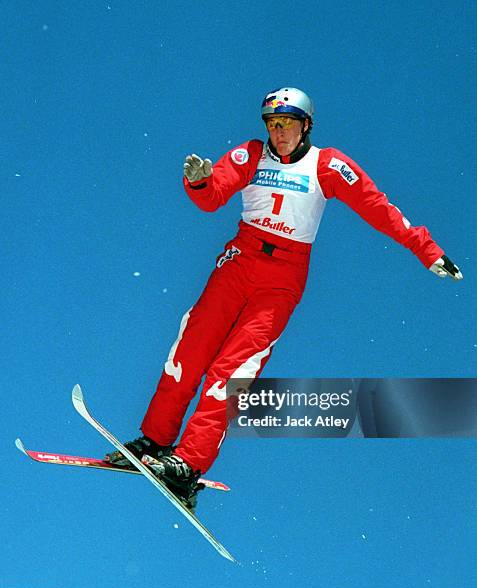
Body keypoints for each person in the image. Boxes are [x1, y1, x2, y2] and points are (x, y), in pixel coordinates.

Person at [105, 87, 463, 509]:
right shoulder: (252, 155)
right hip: (239, 261)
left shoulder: (328, 165)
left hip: (282, 279)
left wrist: (427, 250)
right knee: (190, 348)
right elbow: (214, 193)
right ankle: (153, 441)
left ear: (306, 125)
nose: (279, 133)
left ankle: (187, 464)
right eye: (273, 124)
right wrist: (199, 182)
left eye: (288, 123)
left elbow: (377, 207)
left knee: (233, 370)